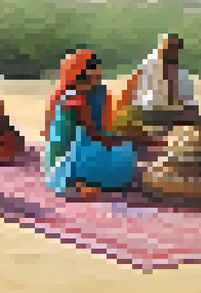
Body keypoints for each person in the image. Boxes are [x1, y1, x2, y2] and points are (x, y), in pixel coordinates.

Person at [44, 49, 139, 199]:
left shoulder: (91, 93)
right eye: (91, 77)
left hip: (80, 148)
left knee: (123, 150)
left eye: (98, 77)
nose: (95, 81)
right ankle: (80, 182)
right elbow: (92, 132)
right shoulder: (74, 99)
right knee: (125, 153)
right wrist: (118, 140)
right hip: (71, 157)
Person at [110, 34, 200, 136]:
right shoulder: (149, 65)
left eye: (173, 49)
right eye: (167, 48)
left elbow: (187, 102)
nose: (170, 53)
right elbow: (131, 86)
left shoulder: (182, 76)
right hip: (150, 111)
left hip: (170, 113)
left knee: (191, 111)